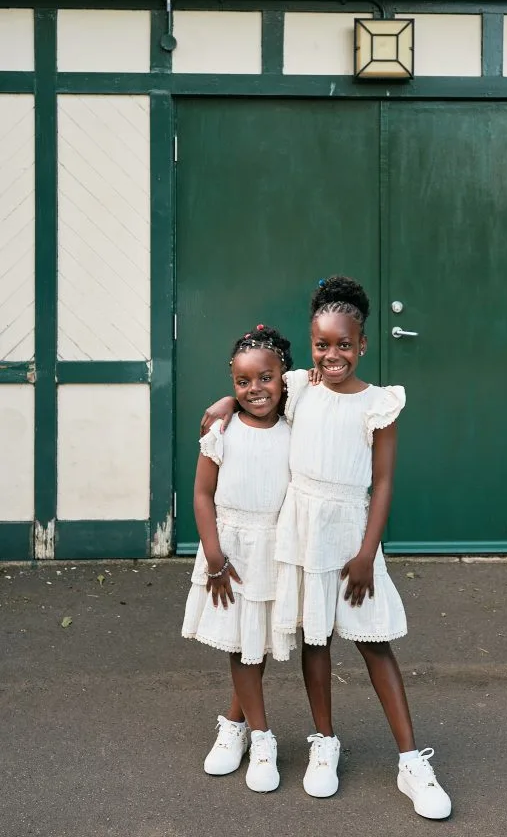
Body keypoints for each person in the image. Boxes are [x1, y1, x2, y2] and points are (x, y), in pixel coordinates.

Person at [202, 278, 451, 819]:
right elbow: (256, 391)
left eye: (344, 344)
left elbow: (382, 484)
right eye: (322, 344)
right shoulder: (300, 385)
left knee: (374, 643)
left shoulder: (379, 405)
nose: (332, 354)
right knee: (314, 642)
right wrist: (224, 400)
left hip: (350, 540)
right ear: (311, 345)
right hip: (299, 533)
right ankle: (323, 743)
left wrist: (367, 552)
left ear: (363, 345)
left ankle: (411, 760)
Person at [182, 324, 294, 794]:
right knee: (240, 646)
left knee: (257, 642)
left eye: (266, 378)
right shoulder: (222, 432)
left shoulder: (296, 426)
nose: (254, 390)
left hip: (275, 548)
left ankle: (234, 722)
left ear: (284, 377)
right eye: (242, 383)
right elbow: (202, 495)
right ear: (231, 383)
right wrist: (214, 559)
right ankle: (262, 735)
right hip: (230, 553)